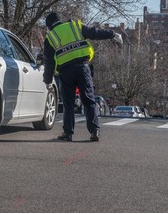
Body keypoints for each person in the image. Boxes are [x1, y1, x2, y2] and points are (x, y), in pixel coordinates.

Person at [43, 12, 123, 142]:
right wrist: (112, 34)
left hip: (65, 72)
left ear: (49, 26)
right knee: (88, 100)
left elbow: (49, 62)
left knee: (68, 103)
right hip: (83, 68)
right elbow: (95, 33)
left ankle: (68, 133)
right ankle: (94, 131)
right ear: (60, 20)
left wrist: (47, 80)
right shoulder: (74, 26)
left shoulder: (50, 38)